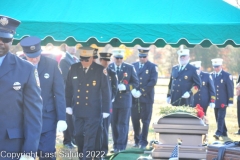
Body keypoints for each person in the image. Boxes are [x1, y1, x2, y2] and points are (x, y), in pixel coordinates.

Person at [0, 15, 42, 160]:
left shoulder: (25, 69)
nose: (1, 42)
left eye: (5, 39)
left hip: (10, 147)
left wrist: (29, 153)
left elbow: (33, 114)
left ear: (12, 40)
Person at [20, 36, 67, 160]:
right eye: (31, 56)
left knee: (47, 154)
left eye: (37, 55)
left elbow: (59, 92)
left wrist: (62, 117)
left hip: (47, 118)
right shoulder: (18, 65)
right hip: (24, 119)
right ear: (24, 53)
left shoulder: (51, 64)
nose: (35, 59)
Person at [65, 47, 111, 160]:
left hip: (93, 110)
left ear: (91, 58)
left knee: (90, 137)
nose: (84, 62)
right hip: (78, 109)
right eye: (82, 59)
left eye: (87, 60)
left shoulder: (100, 70)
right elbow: (68, 89)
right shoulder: (74, 68)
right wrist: (68, 105)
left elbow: (106, 91)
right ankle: (83, 156)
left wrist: (105, 110)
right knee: (78, 135)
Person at [108, 48, 139, 153]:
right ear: (113, 58)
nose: (119, 60)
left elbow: (136, 83)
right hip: (113, 100)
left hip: (125, 100)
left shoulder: (129, 67)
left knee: (123, 123)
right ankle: (115, 145)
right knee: (114, 123)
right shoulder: (109, 67)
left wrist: (126, 87)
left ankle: (121, 146)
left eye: (121, 58)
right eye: (117, 58)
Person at [131, 47, 158, 149]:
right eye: (140, 56)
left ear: (147, 56)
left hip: (146, 98)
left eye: (144, 56)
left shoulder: (152, 67)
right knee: (135, 120)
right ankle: (136, 140)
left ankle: (143, 141)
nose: (142, 58)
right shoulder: (133, 66)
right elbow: (129, 79)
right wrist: (132, 89)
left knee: (145, 121)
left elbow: (153, 81)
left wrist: (141, 91)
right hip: (134, 98)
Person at [95, 52, 118, 155]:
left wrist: (110, 99)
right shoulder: (94, 72)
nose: (106, 62)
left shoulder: (112, 73)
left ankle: (103, 151)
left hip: (106, 104)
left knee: (105, 128)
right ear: (100, 60)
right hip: (95, 104)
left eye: (108, 60)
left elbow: (114, 87)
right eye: (105, 60)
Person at [59, 44, 79, 149]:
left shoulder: (75, 59)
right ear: (66, 47)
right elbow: (68, 78)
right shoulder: (64, 60)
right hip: (68, 94)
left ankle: (72, 139)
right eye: (70, 46)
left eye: (74, 46)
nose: (73, 48)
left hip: (75, 93)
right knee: (68, 118)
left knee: (73, 118)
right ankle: (67, 140)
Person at [210, 58, 234, 139]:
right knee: (218, 117)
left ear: (221, 66)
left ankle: (218, 133)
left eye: (217, 66)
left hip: (223, 100)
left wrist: (230, 100)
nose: (216, 68)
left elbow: (230, 89)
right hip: (215, 101)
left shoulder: (227, 76)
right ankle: (224, 132)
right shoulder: (211, 75)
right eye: (214, 67)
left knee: (220, 117)